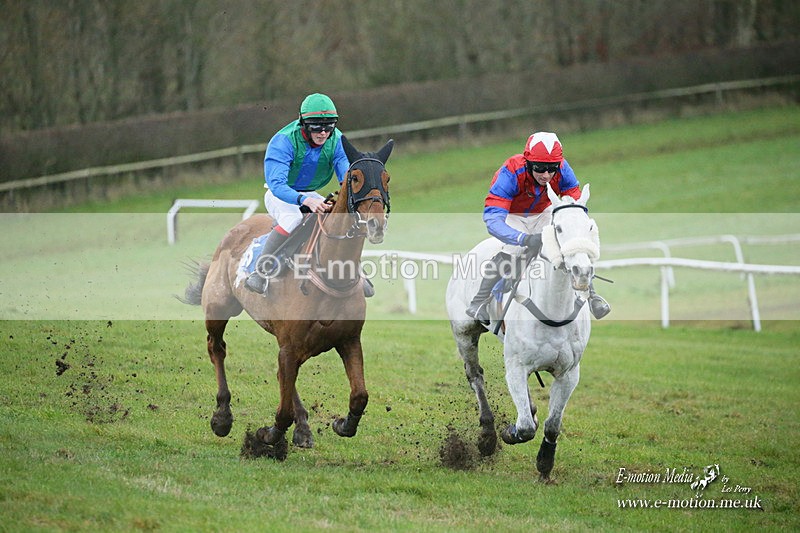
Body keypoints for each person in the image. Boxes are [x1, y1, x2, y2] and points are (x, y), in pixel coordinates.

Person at [465, 131, 610, 322]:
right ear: (528, 163)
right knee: (514, 249)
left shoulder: (563, 169)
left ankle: (592, 296)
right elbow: (493, 219)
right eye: (540, 168)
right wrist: (523, 238)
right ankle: (479, 302)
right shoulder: (511, 171)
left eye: (552, 169)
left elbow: (574, 201)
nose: (546, 175)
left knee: (568, 242)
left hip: (543, 212)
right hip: (512, 215)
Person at [245, 93, 351, 293]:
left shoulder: (336, 139)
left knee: (337, 220)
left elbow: (346, 175)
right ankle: (259, 272)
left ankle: (355, 273)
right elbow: (276, 185)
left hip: (311, 192)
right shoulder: (283, 141)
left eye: (328, 127)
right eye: (317, 127)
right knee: (292, 218)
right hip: (280, 194)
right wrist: (304, 200)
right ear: (304, 124)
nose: (323, 133)